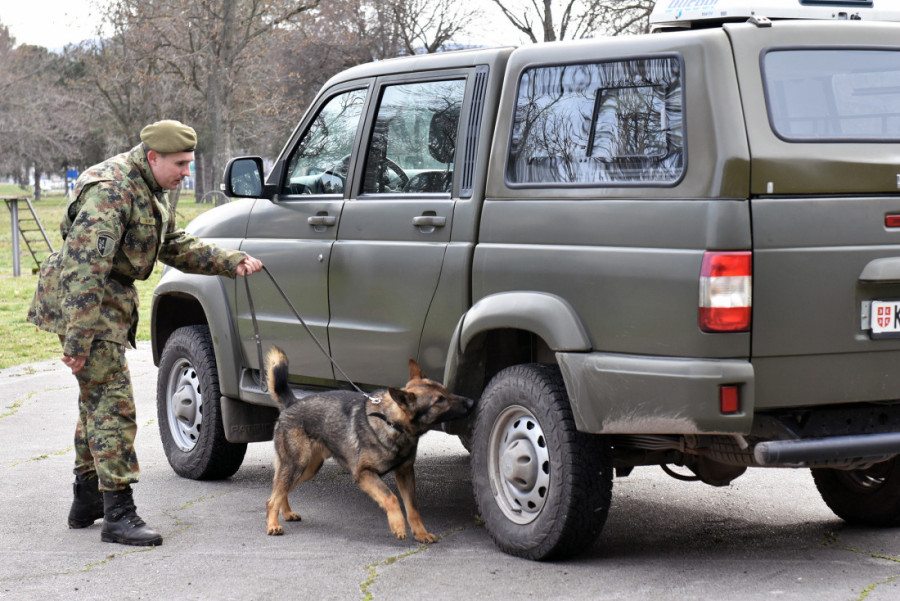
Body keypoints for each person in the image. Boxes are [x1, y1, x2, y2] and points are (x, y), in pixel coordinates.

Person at [27, 120, 263, 547]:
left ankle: (87, 499)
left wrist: (231, 261)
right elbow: (85, 272)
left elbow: (172, 244)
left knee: (96, 401)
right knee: (113, 406)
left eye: (189, 164)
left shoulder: (149, 189)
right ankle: (118, 513)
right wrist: (78, 344)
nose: (186, 173)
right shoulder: (111, 191)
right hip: (87, 305)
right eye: (180, 164)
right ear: (153, 157)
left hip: (108, 304)